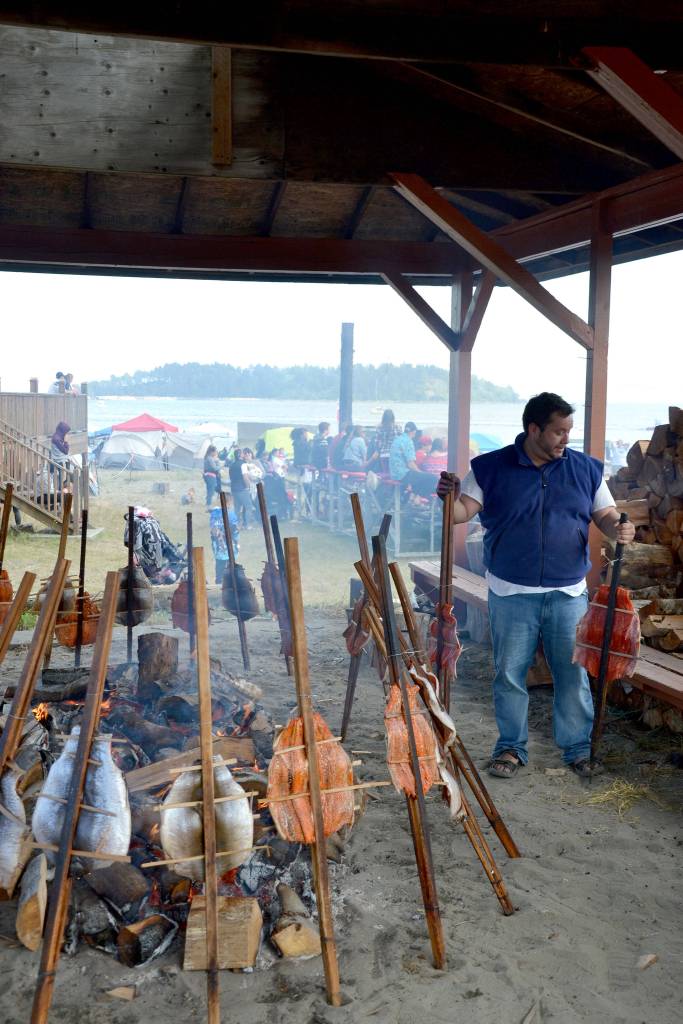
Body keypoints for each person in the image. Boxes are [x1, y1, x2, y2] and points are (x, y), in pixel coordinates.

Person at [436, 392, 636, 780]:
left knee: (573, 674)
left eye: (569, 432)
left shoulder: (585, 469)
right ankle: (510, 748)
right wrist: (447, 498)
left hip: (568, 594)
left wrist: (619, 528)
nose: (565, 439)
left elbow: (607, 515)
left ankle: (577, 749)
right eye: (558, 432)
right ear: (533, 429)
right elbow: (461, 513)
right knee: (509, 673)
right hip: (511, 593)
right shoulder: (491, 468)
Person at [389, 421, 439, 497]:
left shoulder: (396, 440)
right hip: (403, 474)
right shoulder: (408, 441)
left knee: (420, 478)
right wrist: (420, 472)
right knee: (433, 478)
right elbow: (411, 464)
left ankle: (415, 497)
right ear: (413, 432)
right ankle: (419, 498)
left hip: (393, 474)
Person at [209, 501, 240, 584]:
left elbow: (213, 530)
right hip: (227, 548)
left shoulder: (214, 515)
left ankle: (221, 582)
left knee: (221, 568)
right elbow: (236, 531)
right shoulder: (230, 515)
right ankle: (227, 583)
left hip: (220, 549)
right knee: (228, 567)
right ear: (228, 503)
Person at [228, 448, 254, 528]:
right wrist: (248, 486)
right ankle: (247, 525)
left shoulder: (232, 465)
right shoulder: (243, 464)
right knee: (249, 506)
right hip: (242, 488)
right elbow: (245, 477)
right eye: (243, 453)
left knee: (237, 508)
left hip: (233, 489)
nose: (244, 455)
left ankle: (236, 524)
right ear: (240, 455)